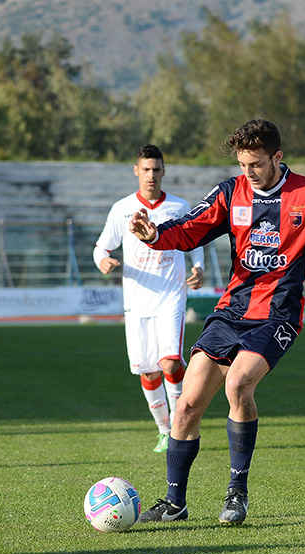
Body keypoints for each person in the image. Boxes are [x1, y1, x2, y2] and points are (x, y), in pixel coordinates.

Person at [128, 119, 305, 526]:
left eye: (256, 163)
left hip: (277, 315)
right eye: (243, 163)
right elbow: (192, 227)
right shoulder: (231, 192)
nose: (248, 171)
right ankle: (175, 502)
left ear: (277, 158)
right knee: (187, 404)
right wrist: (154, 234)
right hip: (231, 311)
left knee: (238, 384)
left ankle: (237, 493)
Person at [93, 145, 205, 453]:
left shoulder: (179, 207)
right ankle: (164, 430)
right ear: (136, 171)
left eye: (156, 170)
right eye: (146, 169)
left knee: (170, 363)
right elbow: (101, 248)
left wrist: (199, 267)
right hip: (137, 300)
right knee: (148, 371)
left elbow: (195, 240)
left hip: (171, 296)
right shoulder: (122, 209)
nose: (151, 175)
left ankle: (183, 426)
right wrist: (103, 261)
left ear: (164, 171)